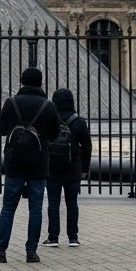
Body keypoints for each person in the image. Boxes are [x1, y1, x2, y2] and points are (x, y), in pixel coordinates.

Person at [0, 68, 59, 264]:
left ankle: (0, 250)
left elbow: (1, 130)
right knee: (35, 209)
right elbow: (54, 135)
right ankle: (31, 252)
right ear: (41, 82)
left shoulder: (11, 102)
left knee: (8, 207)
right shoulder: (48, 106)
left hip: (15, 162)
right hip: (38, 163)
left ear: (22, 81)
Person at [43, 88, 92, 248]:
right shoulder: (79, 122)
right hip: (73, 167)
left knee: (53, 203)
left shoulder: (49, 120)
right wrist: (84, 168)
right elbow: (87, 147)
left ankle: (53, 237)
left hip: (52, 167)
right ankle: (73, 237)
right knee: (72, 203)